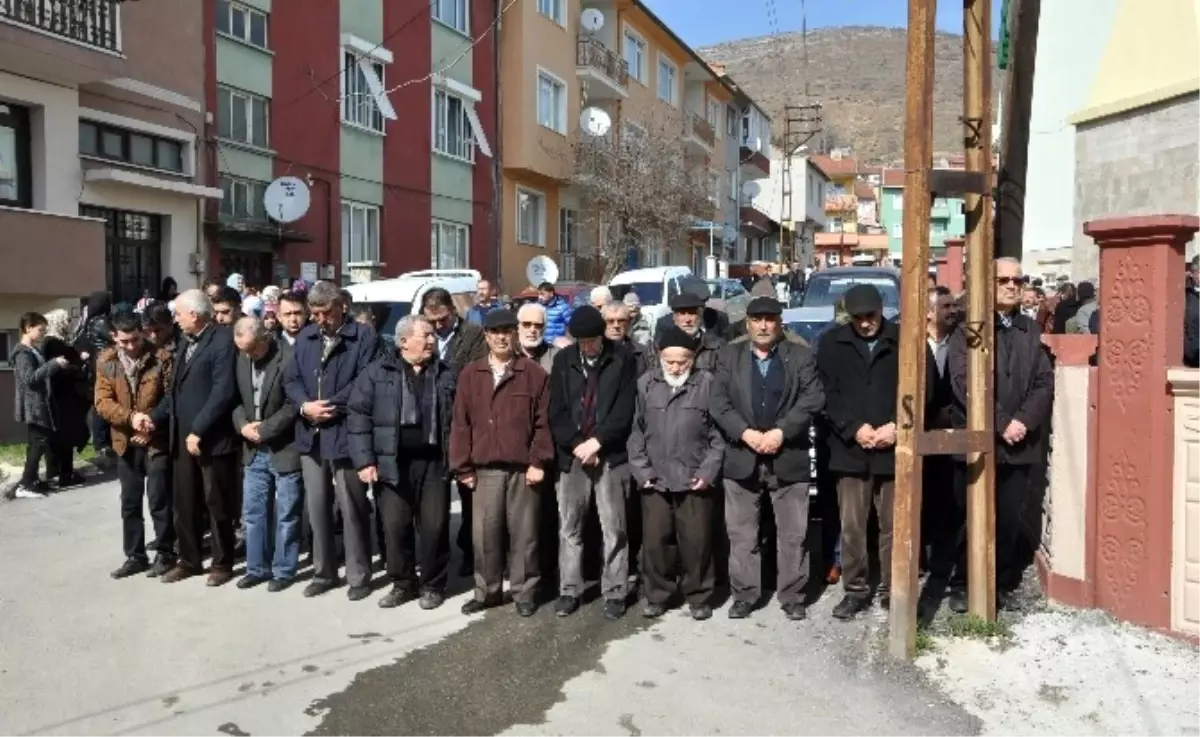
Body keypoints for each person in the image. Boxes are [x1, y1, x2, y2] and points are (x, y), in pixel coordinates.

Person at [944, 257, 1054, 613]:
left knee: (1008, 518)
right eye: (1003, 279)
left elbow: (1043, 381)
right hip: (978, 439)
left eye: (1017, 280)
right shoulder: (968, 329)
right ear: (987, 284)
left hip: (1019, 443)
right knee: (967, 515)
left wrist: (1023, 420)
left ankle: (1000, 581)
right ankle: (963, 582)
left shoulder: (1030, 330)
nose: (1011, 285)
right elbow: (965, 383)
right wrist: (1001, 421)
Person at [711, 296, 825, 621]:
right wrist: (745, 433)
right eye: (757, 320)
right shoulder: (729, 355)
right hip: (742, 454)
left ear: (779, 323)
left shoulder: (800, 356)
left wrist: (781, 432)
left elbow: (813, 398)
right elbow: (718, 402)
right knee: (742, 533)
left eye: (770, 319)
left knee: (793, 532)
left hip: (788, 454)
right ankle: (745, 594)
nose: (763, 326)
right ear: (747, 323)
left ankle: (792, 595)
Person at [450, 309, 554, 617]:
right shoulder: (471, 374)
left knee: (525, 535)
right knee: (484, 535)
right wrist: (462, 466)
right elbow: (460, 424)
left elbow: (543, 423)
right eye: (495, 332)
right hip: (484, 469)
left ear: (514, 334)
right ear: (486, 336)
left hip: (523, 470)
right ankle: (487, 591)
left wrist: (538, 461)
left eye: (507, 331)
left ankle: (524, 592)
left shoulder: (534, 374)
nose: (501, 337)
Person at [348, 315, 456, 611]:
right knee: (395, 528)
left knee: (435, 526)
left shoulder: (446, 372)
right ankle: (403, 583)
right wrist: (365, 460)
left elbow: (459, 419)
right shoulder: (377, 373)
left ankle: (433, 585)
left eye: (433, 335)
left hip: (434, 462)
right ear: (404, 340)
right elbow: (358, 417)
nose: (433, 340)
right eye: (427, 334)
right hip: (391, 463)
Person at [284, 281, 380, 600]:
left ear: (341, 306)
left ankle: (358, 575)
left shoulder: (363, 336)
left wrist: (332, 407)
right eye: (315, 314)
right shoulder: (305, 338)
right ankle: (323, 572)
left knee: (352, 507)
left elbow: (366, 381)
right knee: (317, 507)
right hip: (311, 434)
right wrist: (304, 406)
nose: (320, 320)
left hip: (347, 433)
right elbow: (292, 379)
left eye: (326, 313)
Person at [627, 325, 725, 621]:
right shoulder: (646, 384)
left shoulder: (707, 384)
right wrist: (642, 471)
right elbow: (635, 433)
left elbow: (718, 436)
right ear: (660, 357)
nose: (676, 367)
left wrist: (708, 472)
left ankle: (699, 596)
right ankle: (658, 595)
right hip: (655, 480)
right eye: (670, 361)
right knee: (656, 543)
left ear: (692, 359)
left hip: (694, 478)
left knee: (697, 542)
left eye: (682, 361)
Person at [548, 305, 637, 619]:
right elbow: (556, 411)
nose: (587, 346)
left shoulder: (623, 359)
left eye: (592, 340)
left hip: (609, 453)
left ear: (602, 336)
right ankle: (569, 590)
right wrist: (577, 445)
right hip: (573, 455)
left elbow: (624, 411)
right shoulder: (563, 360)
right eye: (582, 341)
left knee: (614, 527)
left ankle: (615, 591)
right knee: (569, 526)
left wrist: (598, 442)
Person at [817, 284, 899, 619]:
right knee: (852, 526)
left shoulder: (903, 340)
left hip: (894, 447)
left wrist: (897, 425)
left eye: (871, 316)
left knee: (894, 524)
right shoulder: (831, 343)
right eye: (859, 318)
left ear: (882, 309)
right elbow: (825, 393)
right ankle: (855, 589)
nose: (866, 323)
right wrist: (853, 428)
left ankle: (895, 588)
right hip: (851, 449)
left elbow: (924, 388)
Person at [155, 290, 240, 586]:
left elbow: (223, 392)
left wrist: (199, 429)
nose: (175, 320)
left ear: (194, 313)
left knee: (216, 503)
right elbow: (175, 393)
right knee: (185, 503)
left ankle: (222, 563)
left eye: (179, 314)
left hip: (212, 439)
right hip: (182, 438)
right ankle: (189, 560)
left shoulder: (222, 341)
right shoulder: (184, 342)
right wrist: (152, 420)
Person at [95, 310, 176, 578]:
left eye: (135, 340)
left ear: (143, 334)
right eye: (124, 342)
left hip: (156, 440)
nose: (131, 347)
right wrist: (132, 419)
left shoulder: (161, 358)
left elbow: (171, 397)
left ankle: (166, 552)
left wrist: (151, 423)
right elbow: (103, 403)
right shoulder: (106, 362)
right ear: (114, 338)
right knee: (130, 503)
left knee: (159, 499)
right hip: (125, 441)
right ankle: (135, 555)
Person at [232, 317, 302, 592]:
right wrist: (242, 426)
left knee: (286, 513)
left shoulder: (288, 357)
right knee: (253, 512)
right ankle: (256, 568)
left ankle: (283, 570)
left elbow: (293, 402)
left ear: (266, 338)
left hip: (284, 446)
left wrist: (267, 429)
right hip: (253, 447)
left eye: (253, 349)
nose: (248, 355)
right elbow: (235, 399)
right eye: (243, 350)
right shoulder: (242, 357)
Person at [421, 287, 486, 575]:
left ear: (453, 311)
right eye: (431, 321)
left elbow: (473, 378)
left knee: (470, 497)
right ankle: (436, 556)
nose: (437, 327)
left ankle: (471, 554)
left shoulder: (472, 335)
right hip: (431, 426)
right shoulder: (421, 332)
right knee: (434, 502)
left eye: (442, 320)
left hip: (463, 425)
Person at [11, 312, 70, 498]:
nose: (43, 333)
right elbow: (30, 379)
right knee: (37, 443)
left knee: (38, 443)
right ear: (28, 328)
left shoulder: (33, 350)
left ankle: (32, 480)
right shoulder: (22, 353)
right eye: (40, 329)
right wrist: (54, 364)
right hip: (33, 406)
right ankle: (26, 483)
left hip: (40, 404)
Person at [41, 309, 89, 487]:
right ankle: (65, 473)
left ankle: (57, 471)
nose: (69, 323)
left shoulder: (53, 342)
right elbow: (59, 370)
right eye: (67, 320)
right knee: (65, 435)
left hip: (61, 395)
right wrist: (79, 363)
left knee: (60, 435)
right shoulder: (53, 343)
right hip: (63, 397)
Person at [75, 290, 115, 459]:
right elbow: (115, 337)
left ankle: (101, 441)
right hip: (106, 364)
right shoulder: (101, 322)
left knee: (101, 401)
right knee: (104, 402)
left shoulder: (90, 321)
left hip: (97, 365)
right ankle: (102, 441)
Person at [602, 303, 651, 376]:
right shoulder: (593, 351)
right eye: (610, 321)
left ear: (629, 323)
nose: (616, 325)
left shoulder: (643, 353)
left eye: (621, 321)